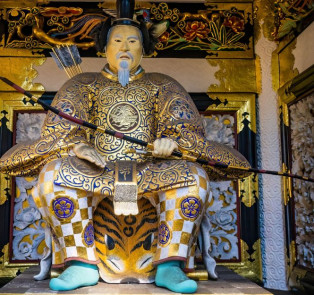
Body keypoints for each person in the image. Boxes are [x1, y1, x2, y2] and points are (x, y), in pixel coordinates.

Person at [0, 0, 251, 293]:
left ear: (143, 48)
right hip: (95, 171)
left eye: (133, 41)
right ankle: (82, 263)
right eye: (117, 40)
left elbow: (188, 133)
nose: (124, 48)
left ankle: (168, 265)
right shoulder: (82, 84)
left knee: (194, 177)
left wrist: (171, 143)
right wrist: (79, 148)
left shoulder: (163, 85)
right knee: (52, 175)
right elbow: (58, 135)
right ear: (104, 47)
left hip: (151, 170)